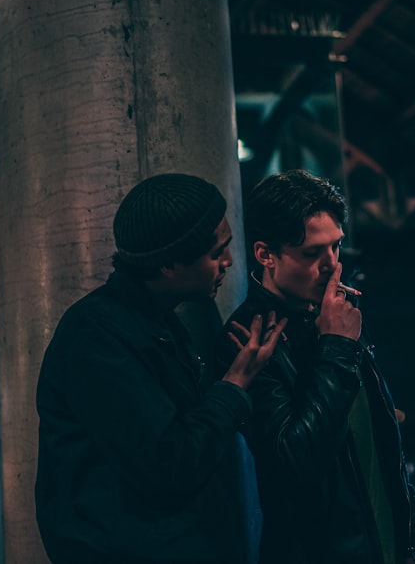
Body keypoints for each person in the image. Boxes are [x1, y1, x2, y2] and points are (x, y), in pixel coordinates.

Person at [35, 172, 287, 564]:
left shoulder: (157, 319)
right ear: (169, 264)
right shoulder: (96, 337)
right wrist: (236, 382)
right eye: (215, 253)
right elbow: (168, 468)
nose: (229, 262)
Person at [220, 169, 415, 564]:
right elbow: (293, 464)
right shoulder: (249, 338)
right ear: (266, 253)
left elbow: (381, 439)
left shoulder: (337, 312)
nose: (332, 265)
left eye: (335, 247)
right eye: (311, 253)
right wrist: (336, 346)